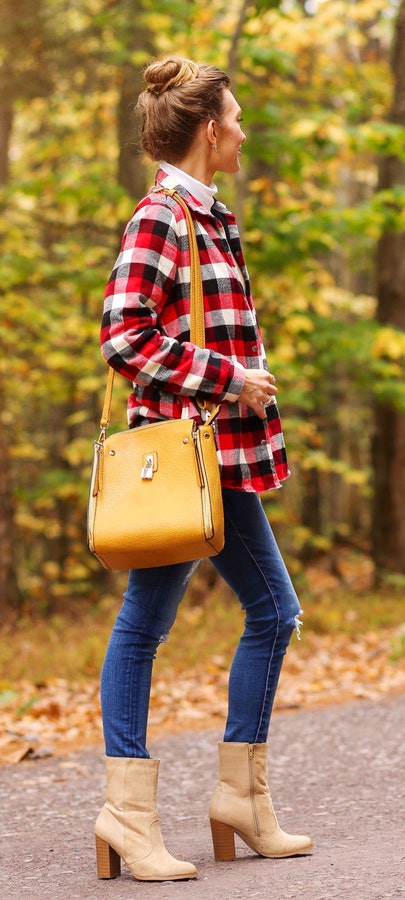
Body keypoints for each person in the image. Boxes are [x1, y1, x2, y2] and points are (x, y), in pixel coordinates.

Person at [94, 55, 313, 883]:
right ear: (210, 130)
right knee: (150, 624)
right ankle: (128, 813)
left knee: (271, 612)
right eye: (237, 116)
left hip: (216, 457)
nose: (245, 130)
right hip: (184, 457)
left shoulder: (207, 218)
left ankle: (240, 801)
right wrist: (228, 379)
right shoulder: (161, 215)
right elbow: (123, 335)